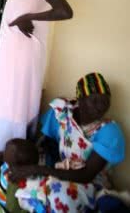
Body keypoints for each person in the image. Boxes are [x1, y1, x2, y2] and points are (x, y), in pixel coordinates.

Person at [0, 0, 74, 160]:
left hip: (22, 56)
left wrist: (29, 17)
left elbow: (65, 11)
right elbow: (15, 7)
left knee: (15, 100)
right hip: (13, 53)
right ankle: (2, 152)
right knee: (10, 98)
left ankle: (8, 155)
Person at [12, 73, 125, 212]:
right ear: (81, 99)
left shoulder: (109, 131)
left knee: (59, 195)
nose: (101, 107)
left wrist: (39, 170)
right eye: (95, 101)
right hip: (58, 170)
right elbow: (38, 139)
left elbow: (87, 175)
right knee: (13, 166)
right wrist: (25, 158)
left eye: (105, 101)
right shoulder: (63, 113)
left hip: (89, 184)